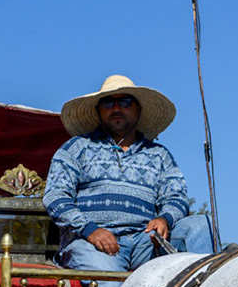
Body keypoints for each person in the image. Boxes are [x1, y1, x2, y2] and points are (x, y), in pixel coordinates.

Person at [44, 74, 213, 272]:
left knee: (201, 224)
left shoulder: (159, 155)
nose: (116, 109)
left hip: (147, 242)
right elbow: (55, 197)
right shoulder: (76, 148)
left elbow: (176, 197)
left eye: (125, 102)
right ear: (98, 110)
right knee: (111, 286)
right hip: (91, 244)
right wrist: (90, 230)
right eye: (108, 103)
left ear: (138, 109)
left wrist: (165, 219)